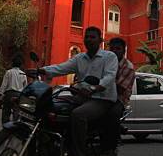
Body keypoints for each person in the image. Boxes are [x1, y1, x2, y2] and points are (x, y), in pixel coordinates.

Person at [40, 27, 118, 156]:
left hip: (102, 99)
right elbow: (62, 68)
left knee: (78, 114)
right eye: (86, 37)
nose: (89, 39)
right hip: (83, 97)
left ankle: (78, 152)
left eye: (92, 37)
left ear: (100, 40)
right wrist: (41, 70)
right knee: (53, 107)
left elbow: (109, 77)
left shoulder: (109, 56)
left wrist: (95, 88)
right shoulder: (79, 58)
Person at [100, 37, 135, 156]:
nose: (114, 51)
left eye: (118, 49)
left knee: (112, 113)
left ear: (124, 51)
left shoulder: (128, 67)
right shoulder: (105, 62)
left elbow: (119, 89)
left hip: (119, 99)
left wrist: (101, 84)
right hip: (103, 95)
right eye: (112, 48)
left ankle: (110, 147)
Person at [0, 55, 27, 124]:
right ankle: (14, 128)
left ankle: (5, 127)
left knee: (6, 112)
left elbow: (4, 85)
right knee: (16, 113)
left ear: (12, 63)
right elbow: (25, 87)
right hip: (18, 95)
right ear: (20, 65)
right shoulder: (23, 74)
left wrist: (1, 95)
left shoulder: (9, 72)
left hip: (9, 94)